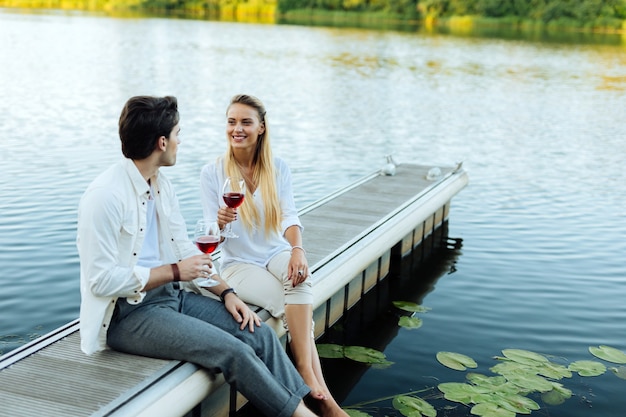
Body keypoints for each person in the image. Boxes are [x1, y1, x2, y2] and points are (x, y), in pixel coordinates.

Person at [77, 95, 319, 417]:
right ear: (162, 142)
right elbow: (101, 281)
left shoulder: (161, 187)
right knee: (234, 351)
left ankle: (307, 404)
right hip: (129, 315)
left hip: (172, 297)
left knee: (256, 331)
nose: (181, 141)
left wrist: (227, 292)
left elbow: (184, 250)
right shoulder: (105, 196)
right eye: (178, 134)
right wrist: (175, 272)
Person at [200, 94, 348, 417]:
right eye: (231, 121)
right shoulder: (212, 173)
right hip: (238, 263)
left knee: (300, 279)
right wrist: (220, 224)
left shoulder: (277, 168)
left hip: (274, 252)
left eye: (245, 122)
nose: (237, 129)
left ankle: (309, 381)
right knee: (290, 305)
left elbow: (289, 217)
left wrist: (297, 250)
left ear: (262, 127)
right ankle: (321, 394)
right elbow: (213, 239)